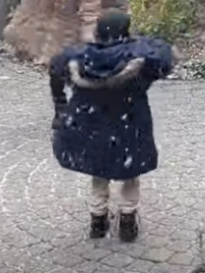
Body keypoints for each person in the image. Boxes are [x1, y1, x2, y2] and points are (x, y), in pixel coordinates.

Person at [49, 12, 176, 243]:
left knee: (99, 169)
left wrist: (60, 104)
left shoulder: (82, 58)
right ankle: (128, 222)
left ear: (99, 30)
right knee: (130, 172)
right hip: (130, 123)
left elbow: (56, 69)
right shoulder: (140, 57)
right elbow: (164, 61)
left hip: (94, 126)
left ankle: (98, 220)